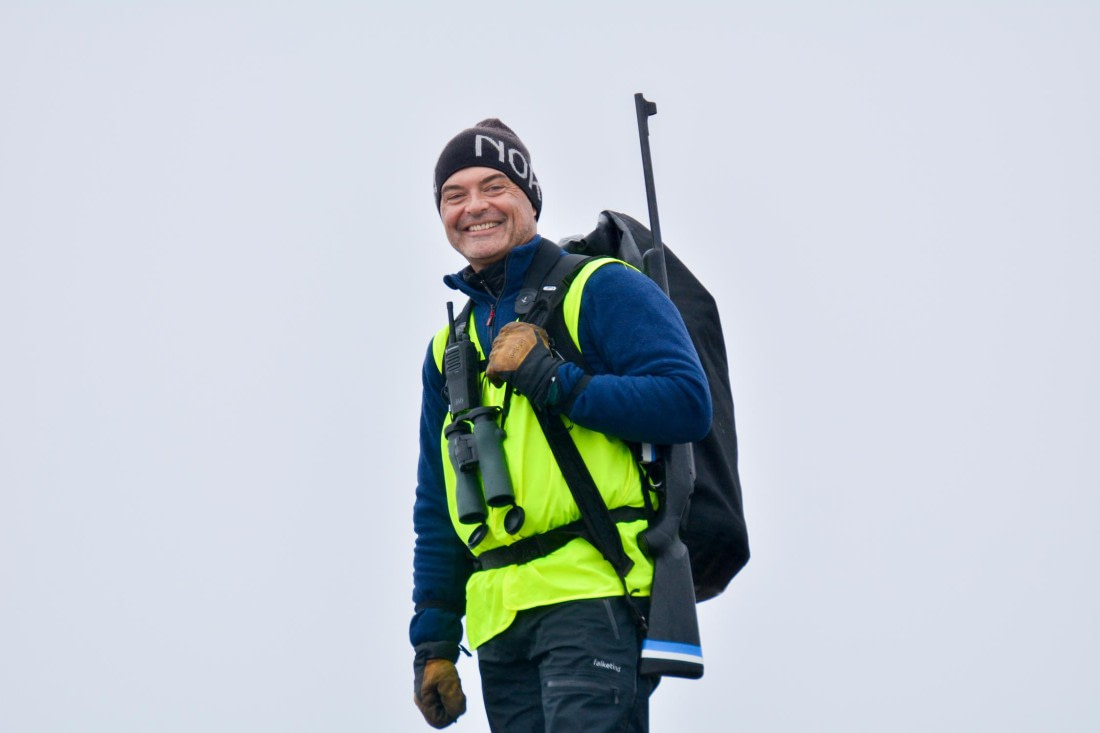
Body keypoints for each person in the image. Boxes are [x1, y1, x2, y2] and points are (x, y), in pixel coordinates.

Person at [410, 118, 712, 732]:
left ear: (530, 198)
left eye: (493, 186)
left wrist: (556, 380)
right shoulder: (449, 348)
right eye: (454, 195)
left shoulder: (599, 288)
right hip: (498, 622)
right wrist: (434, 643)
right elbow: (437, 506)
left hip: (591, 596)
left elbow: (686, 401)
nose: (474, 207)